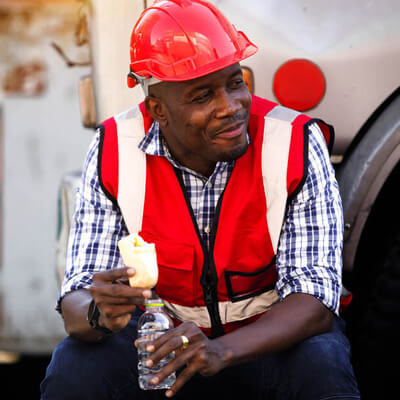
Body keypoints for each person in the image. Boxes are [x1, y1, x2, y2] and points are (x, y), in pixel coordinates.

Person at [41, 1, 360, 399]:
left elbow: (315, 300)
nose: (231, 107)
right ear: (158, 109)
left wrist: (219, 350)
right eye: (202, 95)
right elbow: (77, 298)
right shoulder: (113, 149)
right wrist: (98, 312)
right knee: (74, 366)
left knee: (322, 361)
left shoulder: (293, 141)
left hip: (265, 347)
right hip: (160, 352)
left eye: (235, 82)